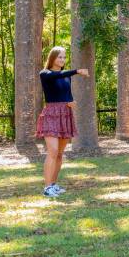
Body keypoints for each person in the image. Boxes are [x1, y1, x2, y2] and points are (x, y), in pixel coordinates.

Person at [36, 46, 89, 197]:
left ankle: (53, 184)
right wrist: (77, 70)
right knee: (52, 151)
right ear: (52, 58)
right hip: (51, 115)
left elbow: (67, 94)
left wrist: (71, 102)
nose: (62, 60)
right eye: (59, 57)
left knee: (59, 154)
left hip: (65, 114)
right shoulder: (45, 74)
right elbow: (56, 76)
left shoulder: (67, 76)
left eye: (64, 57)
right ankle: (47, 188)